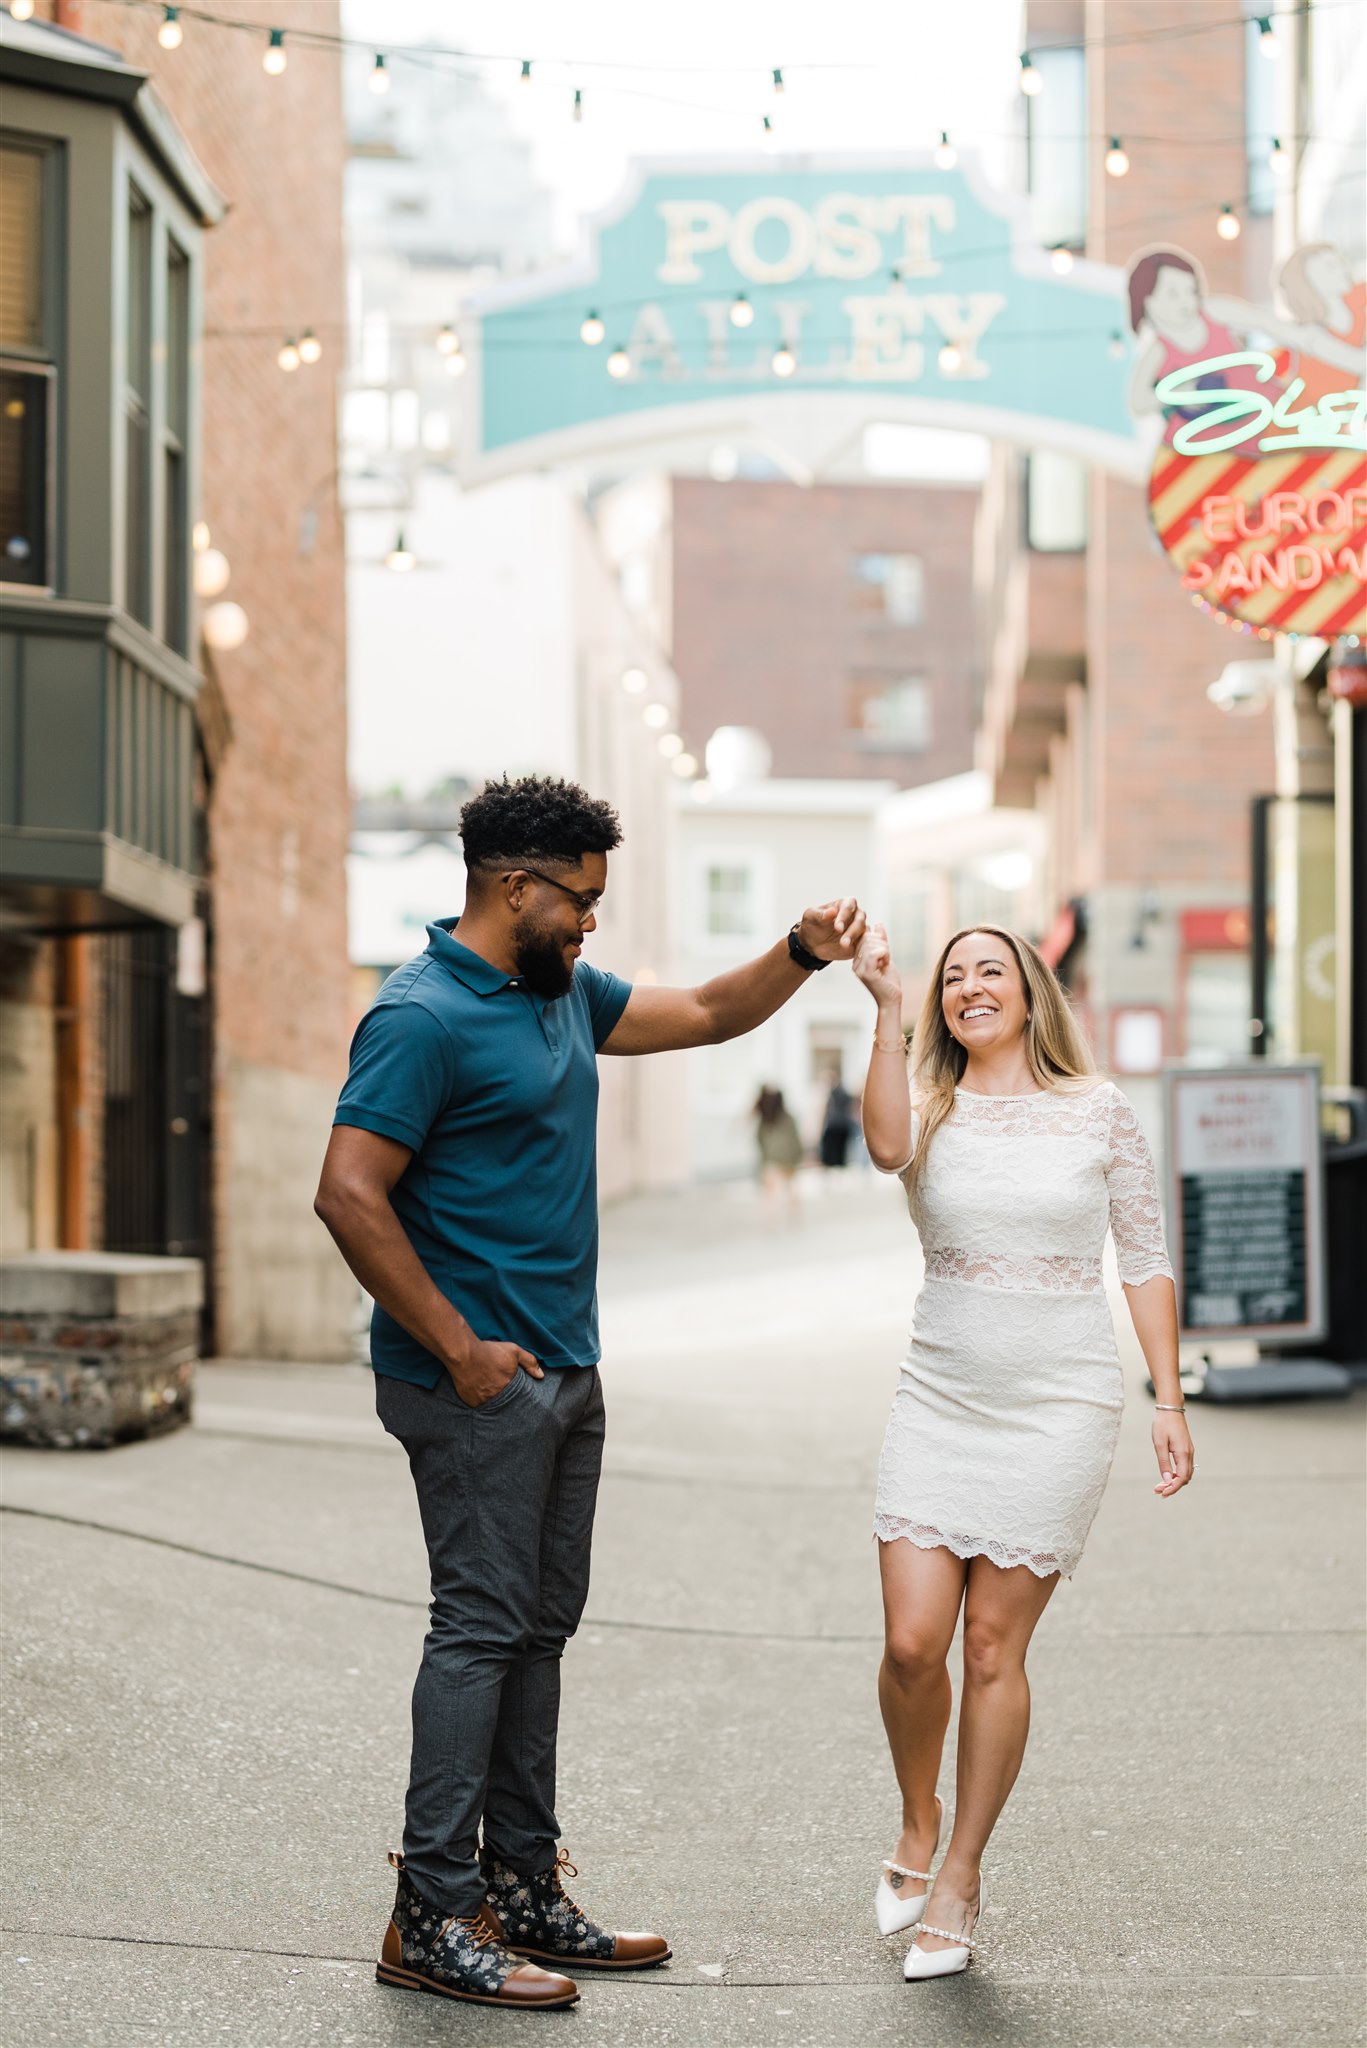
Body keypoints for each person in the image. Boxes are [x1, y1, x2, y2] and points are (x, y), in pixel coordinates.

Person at [314, 774, 865, 2012]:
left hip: (565, 1366)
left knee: (538, 1625)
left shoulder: (561, 994)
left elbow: (716, 1012)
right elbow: (347, 1191)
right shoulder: (420, 1015)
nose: (591, 924)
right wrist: (459, 1349)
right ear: (515, 887)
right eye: (579, 900)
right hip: (472, 1382)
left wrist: (798, 952)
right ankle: (430, 1910)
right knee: (478, 1626)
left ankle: (519, 1882)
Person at [851, 920, 1192, 1983]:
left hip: (1059, 1401)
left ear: (1029, 989)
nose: (968, 986)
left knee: (991, 1647)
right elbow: (881, 1146)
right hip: (940, 1394)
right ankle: (918, 1817)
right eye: (952, 977)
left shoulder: (1097, 1109)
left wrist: (1166, 1396)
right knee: (913, 1642)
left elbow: (1141, 1255)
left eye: (987, 969)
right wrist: (884, 1007)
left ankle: (956, 1876)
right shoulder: (932, 1102)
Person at [753, 1084, 804, 1217]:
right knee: (791, 1188)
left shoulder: (766, 1120)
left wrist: (764, 1159)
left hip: (772, 1159)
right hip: (789, 1158)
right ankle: (795, 1216)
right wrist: (798, 1155)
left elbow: (759, 1139)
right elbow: (796, 1139)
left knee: (769, 1192)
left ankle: (771, 1219)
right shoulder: (789, 1118)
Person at [818, 1069, 857, 1170]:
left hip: (834, 1127)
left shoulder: (832, 1093)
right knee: (840, 1158)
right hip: (843, 1127)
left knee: (831, 1158)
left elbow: (826, 1111)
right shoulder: (845, 1092)